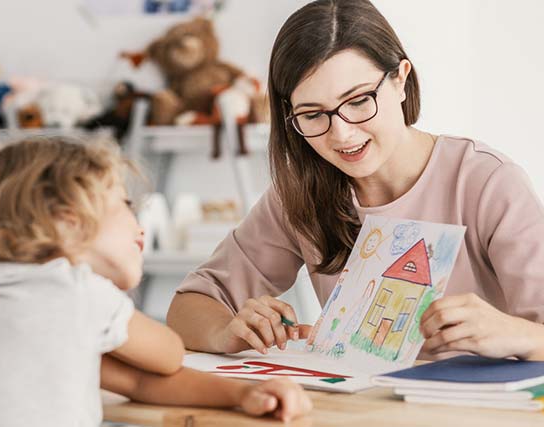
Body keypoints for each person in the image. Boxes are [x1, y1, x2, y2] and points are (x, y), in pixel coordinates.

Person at [167, 0, 544, 361]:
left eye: (360, 100)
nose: (342, 135)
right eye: (313, 115)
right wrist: (227, 330)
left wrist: (516, 333)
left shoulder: (487, 182)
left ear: (400, 79)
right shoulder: (300, 194)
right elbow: (190, 306)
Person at [0, 137, 312, 426]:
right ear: (67, 221)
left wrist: (244, 393)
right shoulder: (79, 293)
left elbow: (134, 381)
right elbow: (168, 356)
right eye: (124, 204)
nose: (136, 221)